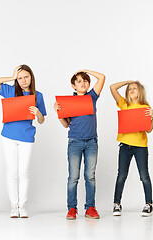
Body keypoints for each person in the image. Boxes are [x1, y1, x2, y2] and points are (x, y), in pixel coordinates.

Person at [0, 65, 46, 218]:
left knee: (24, 172)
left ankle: (23, 206)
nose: (23, 80)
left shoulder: (38, 96)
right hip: (8, 136)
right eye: (20, 78)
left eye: (26, 77)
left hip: (27, 137)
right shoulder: (10, 91)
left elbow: (41, 121)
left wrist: (38, 113)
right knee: (12, 173)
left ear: (31, 77)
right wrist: (11, 77)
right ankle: (14, 206)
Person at [54, 70, 105, 220]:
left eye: (85, 80)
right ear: (73, 85)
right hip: (75, 141)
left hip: (91, 142)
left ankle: (90, 207)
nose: (83, 83)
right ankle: (71, 208)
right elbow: (66, 124)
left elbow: (102, 78)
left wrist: (85, 71)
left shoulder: (92, 97)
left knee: (90, 176)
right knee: (73, 177)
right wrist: (58, 113)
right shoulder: (68, 102)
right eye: (79, 81)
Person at [110, 81, 153, 217]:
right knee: (121, 175)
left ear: (140, 91)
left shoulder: (145, 107)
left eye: (134, 88)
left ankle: (149, 204)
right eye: (129, 88)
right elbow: (112, 88)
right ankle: (116, 204)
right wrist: (128, 82)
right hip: (125, 146)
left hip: (140, 147)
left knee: (144, 176)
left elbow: (149, 129)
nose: (131, 90)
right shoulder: (124, 104)